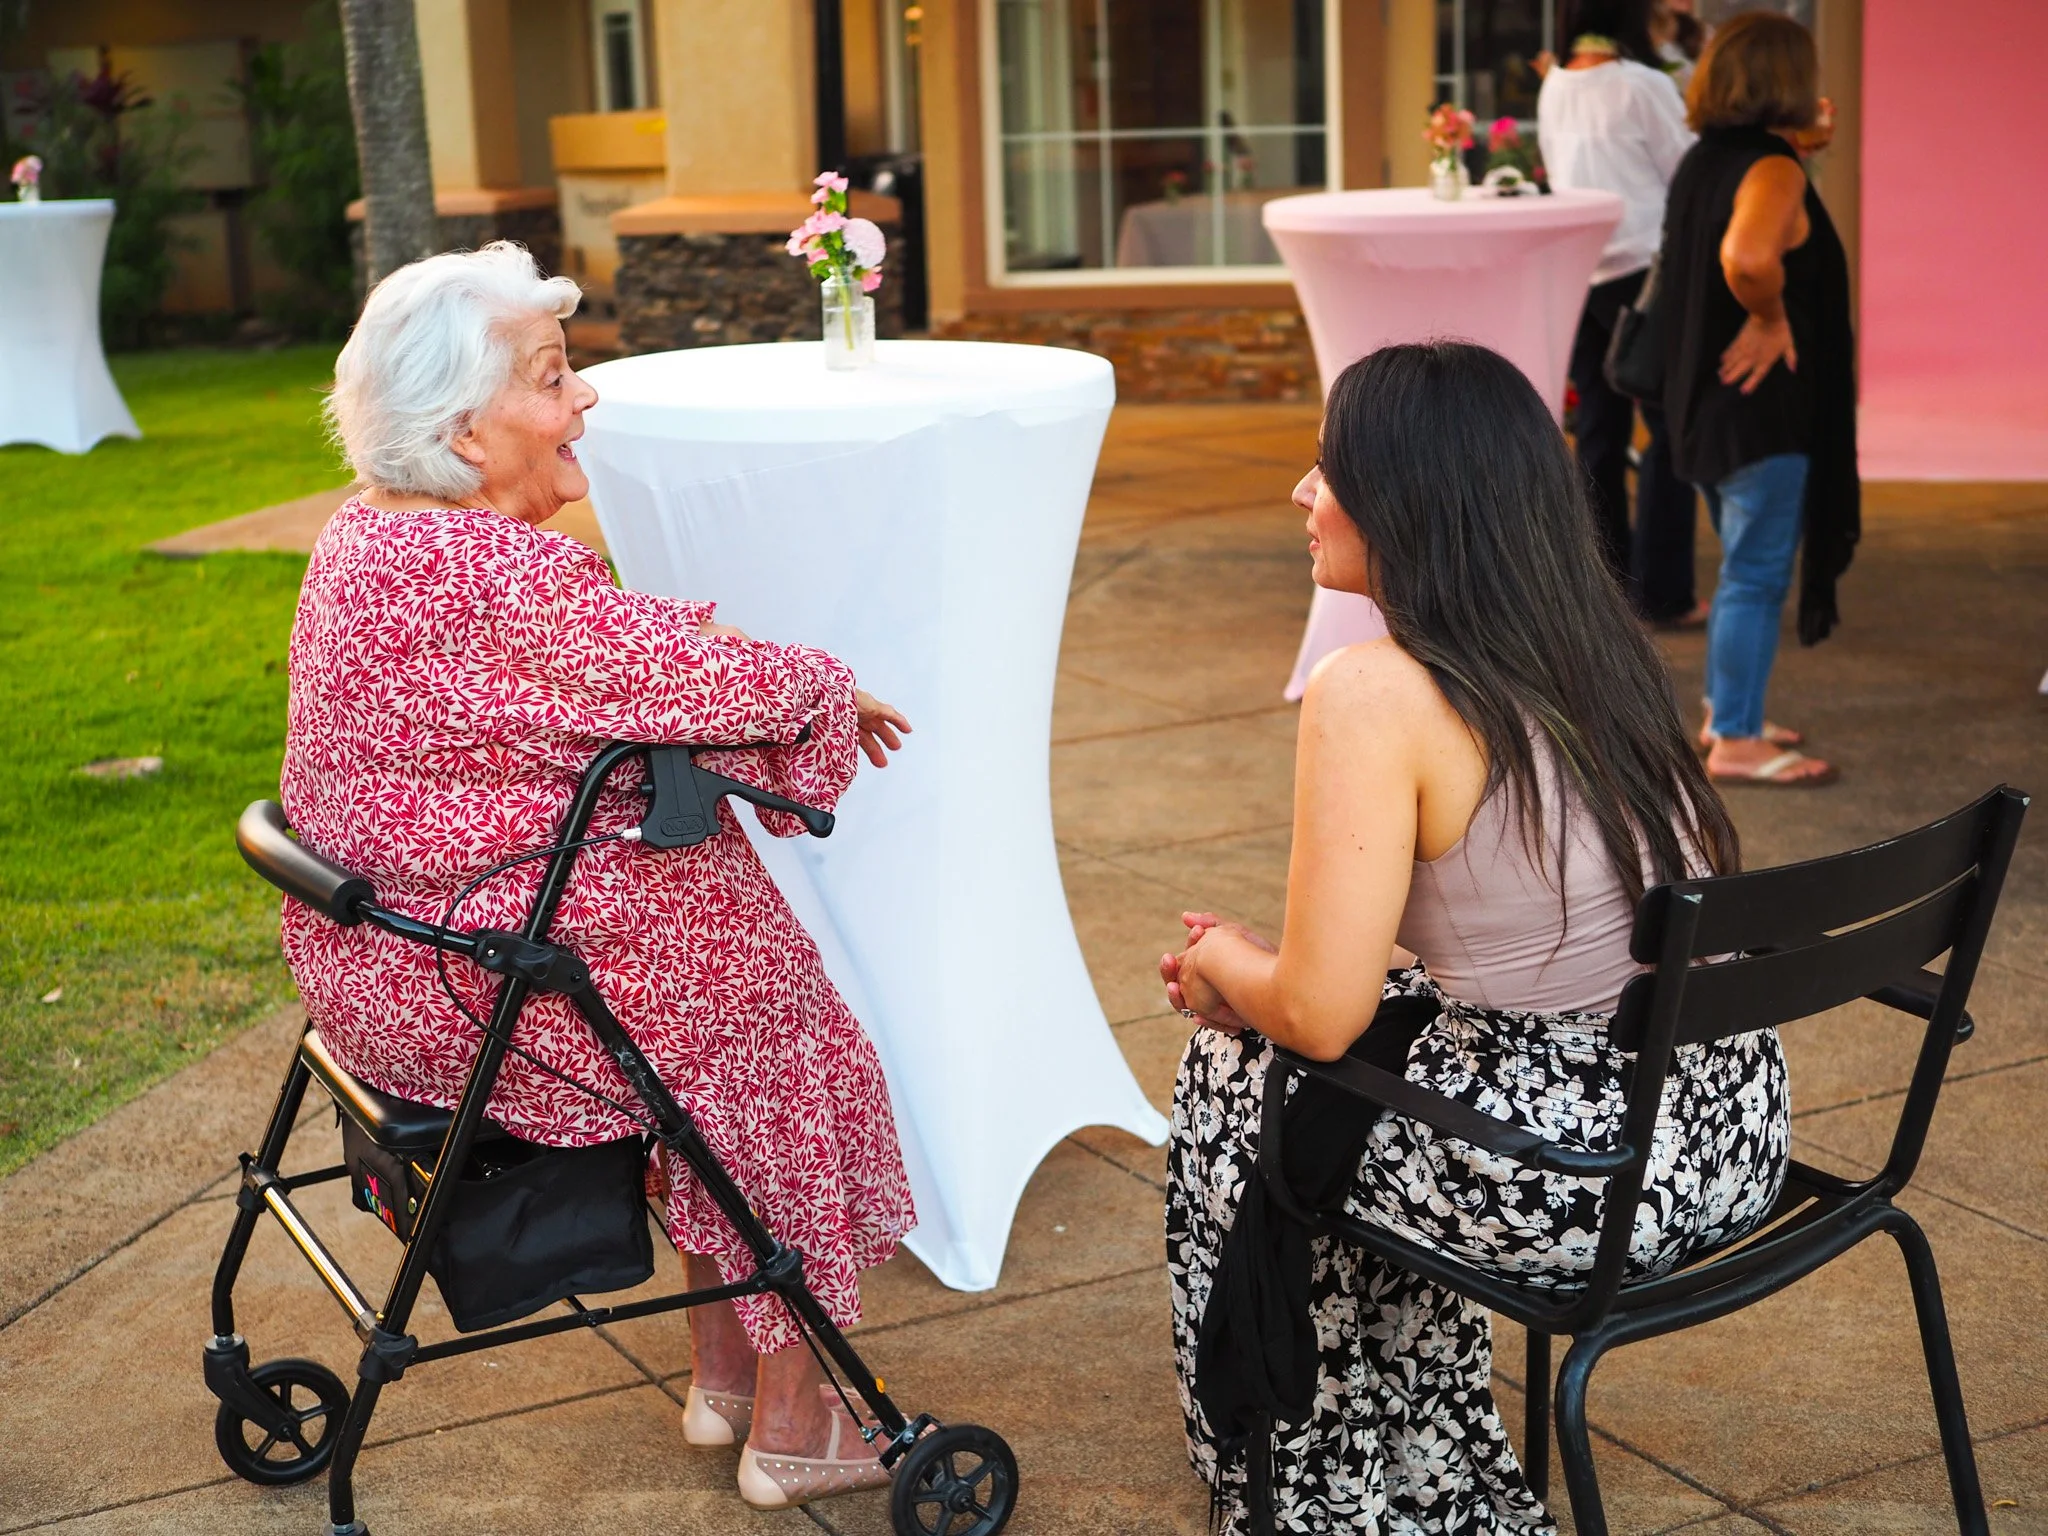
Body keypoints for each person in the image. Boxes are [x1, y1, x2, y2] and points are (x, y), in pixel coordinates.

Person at [284, 242, 915, 1510]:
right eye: (552, 377)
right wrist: (827, 689)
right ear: (467, 436)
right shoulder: (499, 577)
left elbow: (612, 656)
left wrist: (709, 655)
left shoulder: (367, 540)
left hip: (379, 962)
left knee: (718, 986)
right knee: (773, 1026)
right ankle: (794, 1424)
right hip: (486, 981)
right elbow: (719, 681)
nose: (583, 401)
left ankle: (723, 1375)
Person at [1158, 341, 1789, 1535]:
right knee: (1318, 1069)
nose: (1301, 490)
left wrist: (1220, 965)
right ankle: (1411, 1457)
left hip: (1593, 1185)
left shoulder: (1373, 689)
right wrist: (1274, 977)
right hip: (1726, 1131)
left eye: (1328, 466)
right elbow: (1498, 945)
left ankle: (1324, 1482)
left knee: (1245, 1075)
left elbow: (1320, 1015)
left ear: (1407, 499)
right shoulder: (1592, 649)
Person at [1662, 11, 1855, 786]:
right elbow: (1746, 258)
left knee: (1744, 564)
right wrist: (1771, 315)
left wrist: (1799, 149)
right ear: (1788, 83)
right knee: (1755, 573)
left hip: (1707, 409)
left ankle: (1726, 708)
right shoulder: (1772, 170)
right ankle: (1737, 740)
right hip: (1760, 412)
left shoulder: (1707, 159)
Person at [1539, 0, 1704, 627]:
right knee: (1669, 429)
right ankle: (1665, 593)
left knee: (1599, 433)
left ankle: (1603, 593)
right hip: (1646, 276)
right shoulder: (1642, 84)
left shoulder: (1556, 80)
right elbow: (1689, 176)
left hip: (1581, 271)